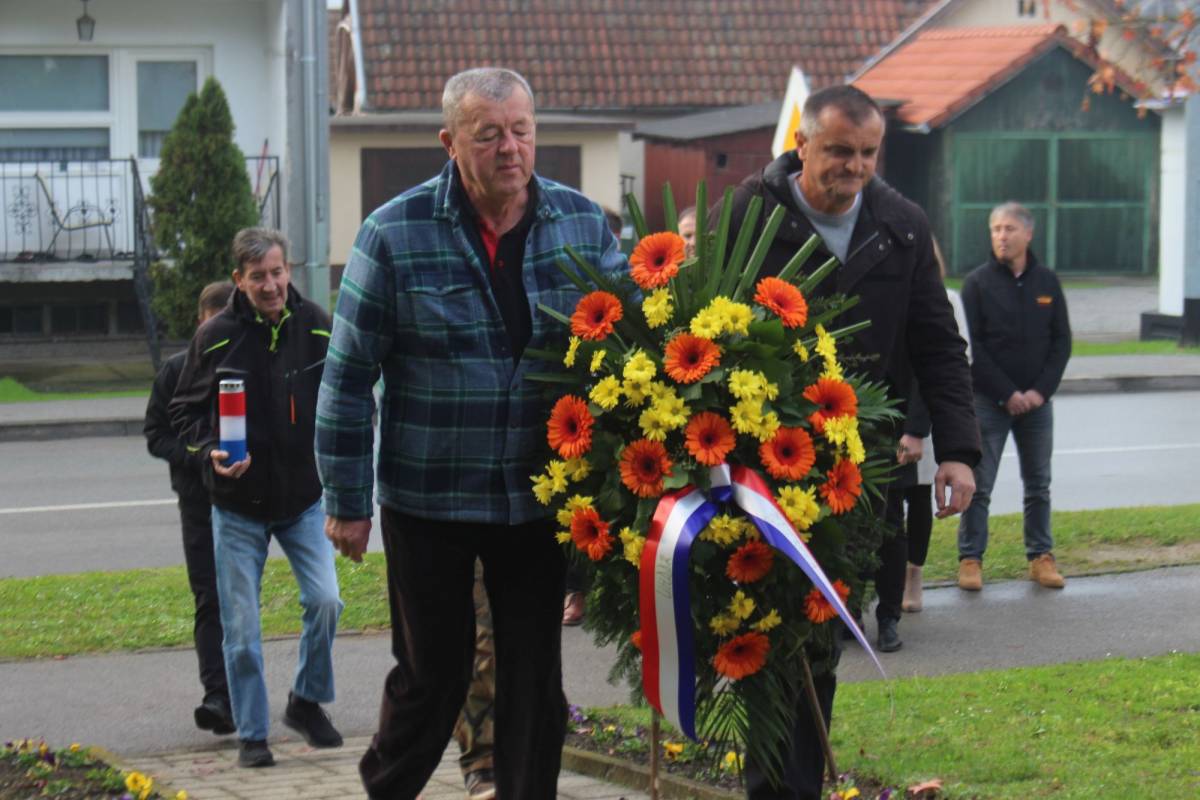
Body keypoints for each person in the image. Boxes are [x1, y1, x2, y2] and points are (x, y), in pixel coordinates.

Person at [315, 67, 627, 800]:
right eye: (488, 135)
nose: (509, 149)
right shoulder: (393, 233)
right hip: (430, 495)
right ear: (449, 141)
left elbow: (634, 340)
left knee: (533, 678)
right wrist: (347, 498)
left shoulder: (582, 224)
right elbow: (347, 376)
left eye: (521, 131)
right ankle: (387, 790)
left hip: (539, 493)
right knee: (435, 676)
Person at [719, 84, 980, 799]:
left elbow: (938, 346)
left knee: (821, 639)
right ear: (801, 144)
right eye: (838, 151)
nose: (854, 167)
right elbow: (697, 329)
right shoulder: (747, 214)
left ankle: (793, 788)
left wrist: (957, 447)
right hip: (756, 468)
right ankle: (772, 788)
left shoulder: (900, 224)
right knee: (762, 639)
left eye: (868, 154)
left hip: (850, 474)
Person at [170, 228, 344, 768]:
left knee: (326, 602)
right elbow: (183, 414)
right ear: (238, 280)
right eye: (257, 277)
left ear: (287, 268)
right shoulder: (217, 336)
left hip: (302, 501)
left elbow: (344, 397)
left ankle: (306, 700)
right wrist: (208, 453)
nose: (270, 286)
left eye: (277, 272)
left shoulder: (316, 324)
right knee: (241, 630)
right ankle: (251, 735)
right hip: (236, 506)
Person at [958, 202, 1072, 592]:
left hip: (1037, 406)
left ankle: (1041, 556)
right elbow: (973, 347)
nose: (1001, 237)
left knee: (1038, 484)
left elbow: (1062, 342)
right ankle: (970, 559)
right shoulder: (977, 283)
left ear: (1028, 234)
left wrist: (1040, 392)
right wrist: (1007, 393)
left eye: (1009, 229)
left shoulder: (1047, 282)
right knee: (979, 485)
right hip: (990, 403)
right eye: (995, 229)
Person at [144, 279, 236, 736]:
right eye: (211, 324)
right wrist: (197, 457)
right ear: (201, 322)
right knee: (209, 597)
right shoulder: (175, 372)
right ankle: (217, 696)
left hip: (245, 503)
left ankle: (241, 691)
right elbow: (156, 435)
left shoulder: (246, 367)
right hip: (197, 503)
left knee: (239, 598)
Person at [900, 240, 970, 613]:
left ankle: (914, 574)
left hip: (924, 417)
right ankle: (888, 577)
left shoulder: (948, 299)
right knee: (890, 504)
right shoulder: (889, 295)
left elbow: (952, 362)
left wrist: (919, 425)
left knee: (919, 498)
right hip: (887, 413)